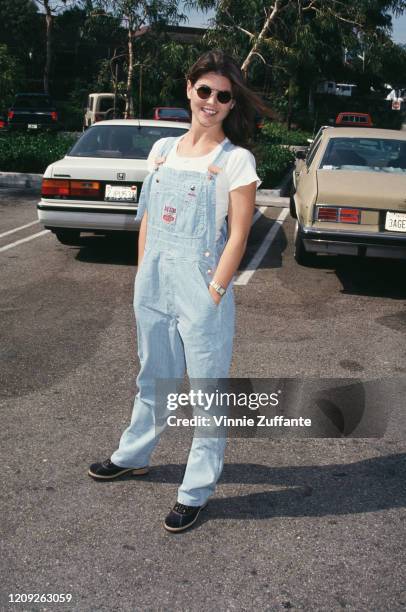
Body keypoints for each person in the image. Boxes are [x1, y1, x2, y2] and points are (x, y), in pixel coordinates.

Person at [88, 50, 266, 532]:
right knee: (154, 376)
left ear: (231, 104)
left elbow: (238, 236)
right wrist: (144, 270)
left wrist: (213, 291)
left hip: (201, 286)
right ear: (189, 89)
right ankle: (133, 455)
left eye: (222, 95)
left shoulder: (236, 160)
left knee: (206, 392)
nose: (211, 101)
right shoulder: (161, 150)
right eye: (204, 90)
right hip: (154, 281)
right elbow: (146, 215)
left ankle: (196, 489)